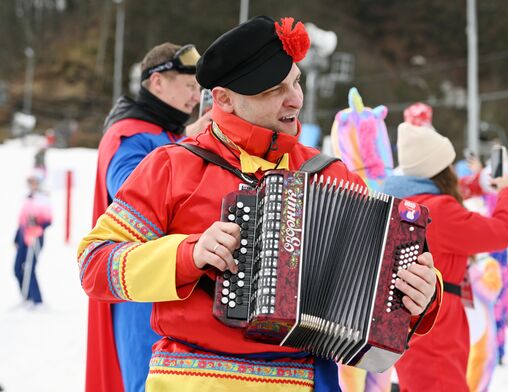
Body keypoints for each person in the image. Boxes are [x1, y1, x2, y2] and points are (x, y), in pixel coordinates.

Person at [79, 16, 441, 391]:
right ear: (224, 98)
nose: (295, 99)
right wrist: (187, 255)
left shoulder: (332, 175)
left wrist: (423, 295)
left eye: (296, 81)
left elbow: (385, 302)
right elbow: (94, 264)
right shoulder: (172, 166)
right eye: (273, 90)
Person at [87, 42, 211, 392]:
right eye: (189, 87)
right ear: (157, 82)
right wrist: (190, 141)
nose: (194, 97)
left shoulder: (168, 133)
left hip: (174, 281)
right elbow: (131, 190)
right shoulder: (128, 134)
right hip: (141, 288)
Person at [383, 122, 508, 391]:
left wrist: (481, 180)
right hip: (440, 324)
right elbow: (501, 232)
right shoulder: (440, 210)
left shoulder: (404, 205)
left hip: (410, 325)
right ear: (441, 171)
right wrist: (507, 192)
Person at [14, 169, 52, 306]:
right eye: (30, 182)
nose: (32, 184)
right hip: (23, 237)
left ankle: (36, 299)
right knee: (17, 268)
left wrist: (37, 225)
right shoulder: (27, 197)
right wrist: (16, 237)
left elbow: (48, 220)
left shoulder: (43, 199)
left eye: (34, 182)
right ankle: (26, 296)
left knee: (30, 267)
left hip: (35, 238)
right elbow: (21, 219)